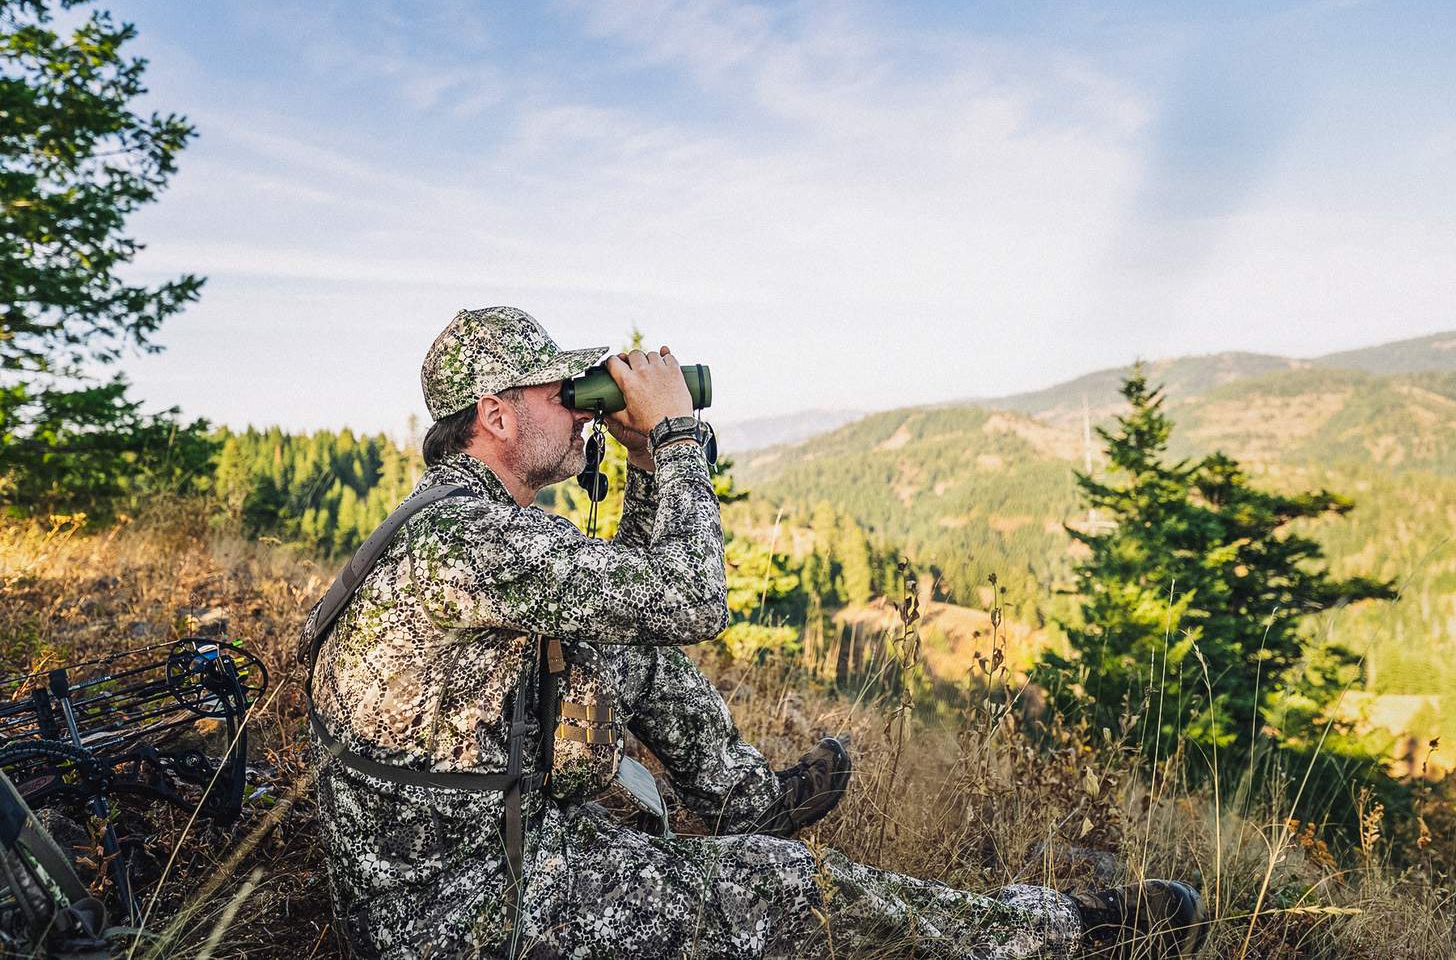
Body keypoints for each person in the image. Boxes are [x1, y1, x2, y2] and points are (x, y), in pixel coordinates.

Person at [302, 306, 1206, 960]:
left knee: (625, 645)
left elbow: (637, 604)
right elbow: (692, 598)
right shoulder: (476, 537)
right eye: (561, 393)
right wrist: (682, 438)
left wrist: (646, 462)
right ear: (496, 415)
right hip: (460, 920)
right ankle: (1053, 932)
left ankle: (744, 801)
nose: (583, 409)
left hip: (451, 869)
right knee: (784, 885)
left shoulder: (463, 520)